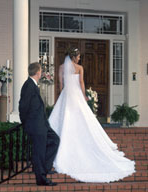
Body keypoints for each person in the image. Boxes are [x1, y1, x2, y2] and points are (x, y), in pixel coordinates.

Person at [49, 48, 135, 183]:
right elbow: (81, 83)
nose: (79, 59)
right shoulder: (79, 68)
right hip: (76, 95)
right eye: (78, 56)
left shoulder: (61, 67)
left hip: (67, 95)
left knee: (65, 119)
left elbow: (60, 83)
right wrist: (84, 96)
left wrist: (62, 94)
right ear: (74, 57)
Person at [19, 62, 60, 186]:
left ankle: (42, 169)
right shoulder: (28, 86)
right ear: (38, 72)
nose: (42, 73)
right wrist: (26, 123)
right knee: (39, 152)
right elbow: (23, 107)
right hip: (35, 126)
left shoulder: (33, 85)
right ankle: (41, 178)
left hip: (43, 125)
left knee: (55, 140)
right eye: (41, 71)